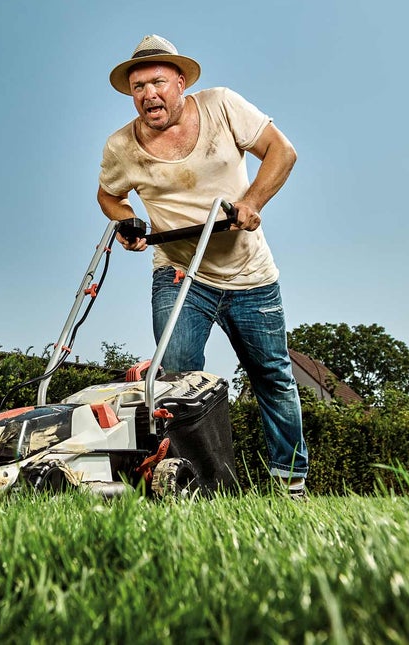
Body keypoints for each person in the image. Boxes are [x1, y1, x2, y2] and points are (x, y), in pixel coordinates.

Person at [97, 34, 309, 498]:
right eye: (138, 87)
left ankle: (291, 486)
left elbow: (282, 151)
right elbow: (109, 197)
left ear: (180, 81)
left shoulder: (222, 107)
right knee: (176, 383)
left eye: (157, 82)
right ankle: (196, 486)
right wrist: (127, 222)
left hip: (250, 274)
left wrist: (252, 201)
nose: (148, 94)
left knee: (272, 376)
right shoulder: (121, 147)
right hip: (178, 273)